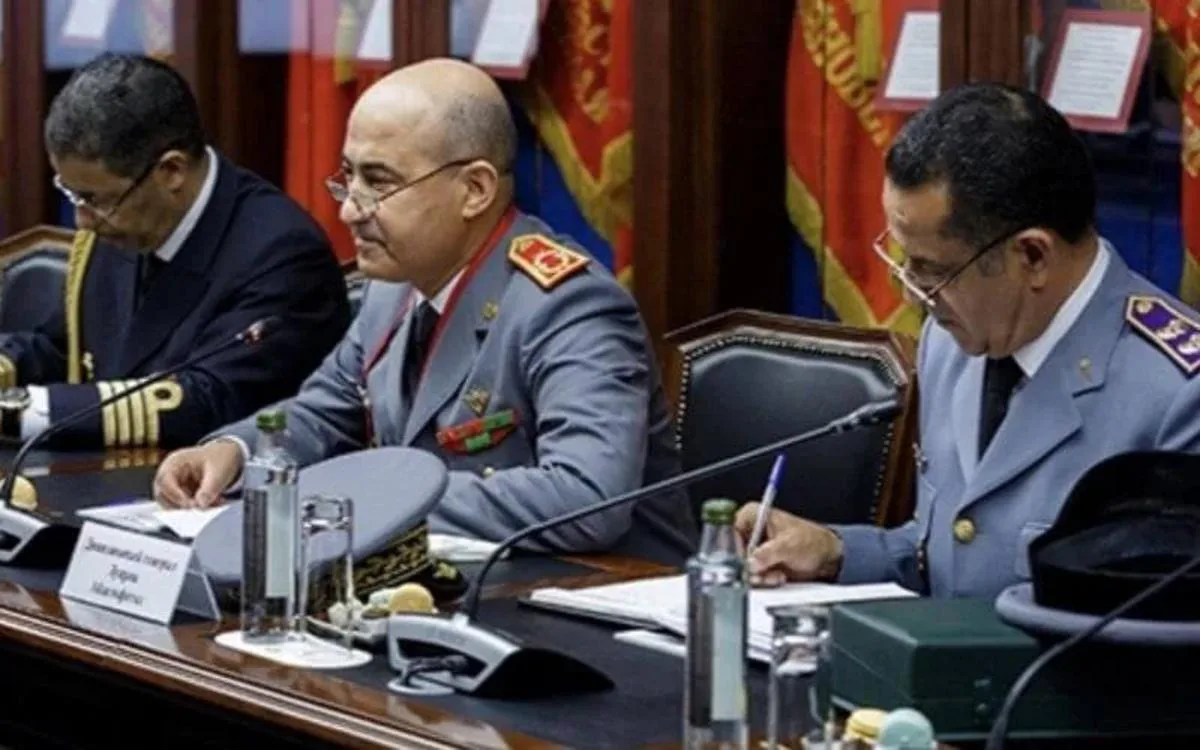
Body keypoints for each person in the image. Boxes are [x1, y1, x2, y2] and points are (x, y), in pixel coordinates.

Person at [154, 58, 696, 563]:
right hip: (457, 585)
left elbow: (586, 496)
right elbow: (323, 412)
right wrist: (236, 452)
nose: (350, 209)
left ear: (475, 189)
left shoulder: (567, 305)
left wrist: (378, 495)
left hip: (598, 600)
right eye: (348, 177)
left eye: (379, 182)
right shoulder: (393, 287)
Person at [734, 83, 1200, 600]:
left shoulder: (1179, 395)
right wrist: (837, 553)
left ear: (1033, 257)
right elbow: (950, 555)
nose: (912, 294)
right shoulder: (951, 343)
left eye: (933, 271)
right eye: (904, 260)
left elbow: (1164, 626)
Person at [0, 54, 351, 450]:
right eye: (71, 194)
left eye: (94, 199)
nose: (83, 221)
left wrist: (18, 412)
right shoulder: (122, 217)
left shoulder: (281, 253)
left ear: (171, 171)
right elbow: (64, 348)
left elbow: (208, 398)